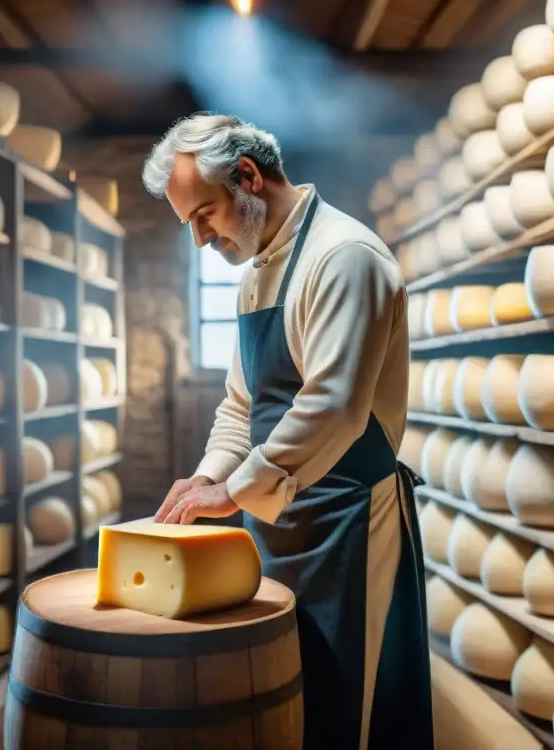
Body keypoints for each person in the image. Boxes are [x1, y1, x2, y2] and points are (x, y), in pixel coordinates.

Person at [142, 113, 433, 750]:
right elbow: (240, 406)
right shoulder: (253, 277)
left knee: (347, 701)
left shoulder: (344, 257)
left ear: (247, 177)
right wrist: (208, 475)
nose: (199, 239)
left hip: (349, 517)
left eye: (204, 215)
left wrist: (235, 491)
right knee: (286, 694)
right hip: (279, 520)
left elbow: (333, 407)